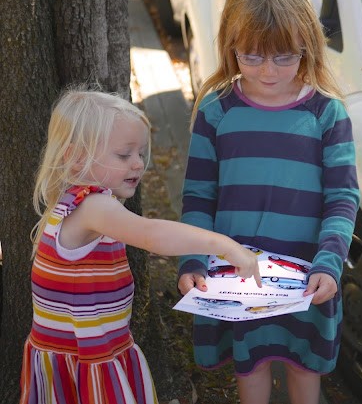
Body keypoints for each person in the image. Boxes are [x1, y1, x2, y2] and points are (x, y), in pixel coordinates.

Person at [177, 0, 360, 404]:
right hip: (238, 279)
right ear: (231, 46)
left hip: (306, 278)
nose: (269, 71)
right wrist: (193, 260)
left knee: (303, 369)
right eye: (252, 56)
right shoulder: (216, 112)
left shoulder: (326, 115)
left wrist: (329, 262)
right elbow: (199, 195)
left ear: (307, 46)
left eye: (284, 56)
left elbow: (342, 198)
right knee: (251, 368)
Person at [20, 89, 261, 404]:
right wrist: (224, 245)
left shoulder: (73, 202)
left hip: (90, 351)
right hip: (86, 360)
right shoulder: (93, 206)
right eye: (124, 155)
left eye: (141, 153)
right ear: (77, 156)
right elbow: (152, 235)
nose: (138, 164)